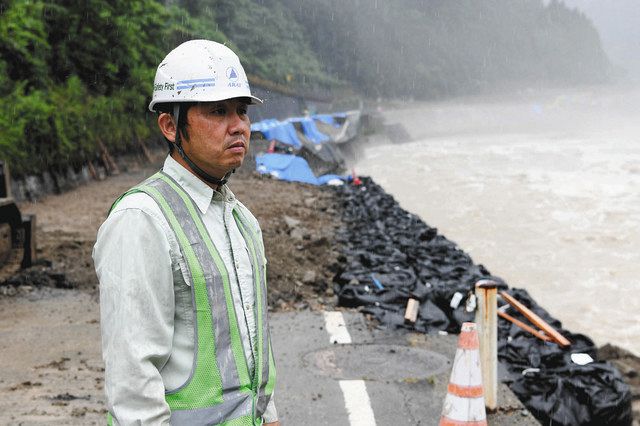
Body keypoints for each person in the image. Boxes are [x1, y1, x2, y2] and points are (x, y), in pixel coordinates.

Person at [93, 39, 278, 425]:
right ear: (170, 125)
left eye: (241, 111)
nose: (238, 126)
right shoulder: (141, 219)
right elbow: (133, 387)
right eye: (217, 111)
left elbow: (254, 357)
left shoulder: (243, 222)